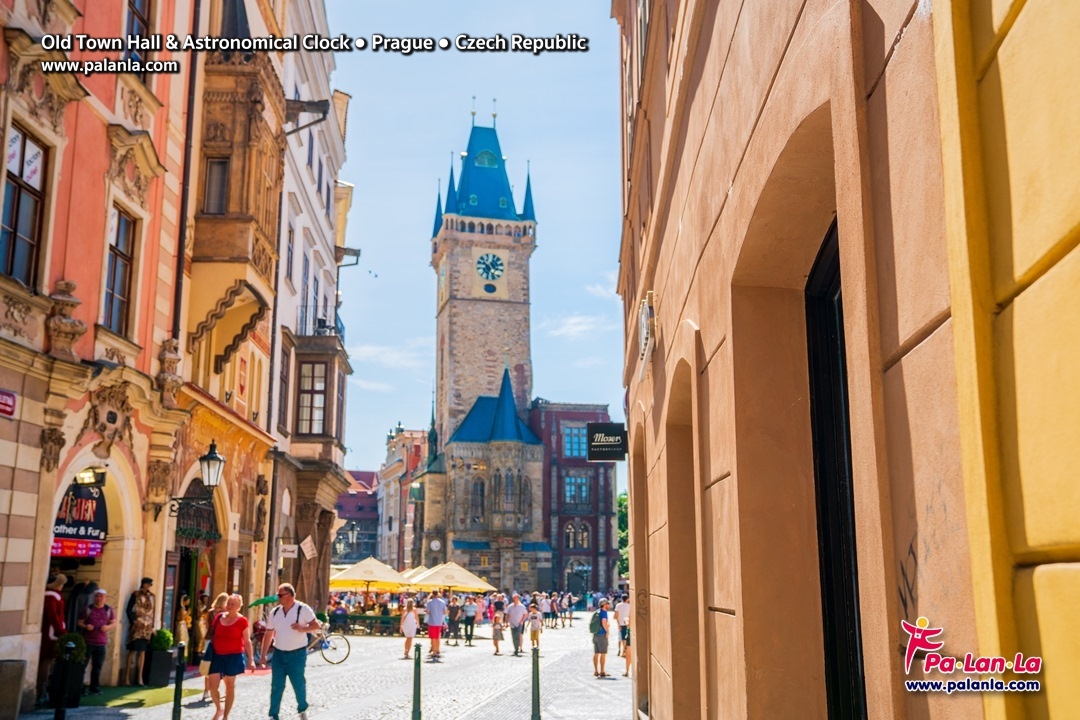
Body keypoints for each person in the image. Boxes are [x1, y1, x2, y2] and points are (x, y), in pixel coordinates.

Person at [260, 583, 319, 720]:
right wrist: (263, 655)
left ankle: (302, 708)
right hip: (279, 653)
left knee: (298, 683)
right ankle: (273, 714)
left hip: (297, 654)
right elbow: (269, 634)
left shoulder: (302, 609)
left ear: (291, 595)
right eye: (278, 595)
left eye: (281, 595)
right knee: (276, 685)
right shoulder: (275, 612)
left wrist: (302, 629)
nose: (278, 598)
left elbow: (315, 624)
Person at [207, 594, 254, 720]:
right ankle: (219, 708)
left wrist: (251, 659)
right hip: (217, 655)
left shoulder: (242, 621)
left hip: (233, 656)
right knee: (213, 687)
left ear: (239, 606)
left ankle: (225, 716)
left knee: (230, 686)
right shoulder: (218, 617)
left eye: (233, 604)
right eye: (228, 603)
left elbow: (247, 640)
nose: (229, 606)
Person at [77, 588, 117, 694]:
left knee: (97, 666)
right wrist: (86, 626)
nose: (98, 598)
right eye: (97, 596)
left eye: (101, 596)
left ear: (105, 598)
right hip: (88, 641)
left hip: (101, 642)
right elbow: (80, 622)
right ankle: (80, 687)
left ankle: (94, 687)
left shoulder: (108, 610)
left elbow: (114, 623)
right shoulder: (88, 609)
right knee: (83, 665)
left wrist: (107, 627)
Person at [37, 574, 67, 703]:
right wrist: (61, 631)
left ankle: (43, 689)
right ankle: (41, 690)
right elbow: (54, 616)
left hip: (52, 631)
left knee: (48, 660)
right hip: (51, 632)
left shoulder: (51, 595)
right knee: (47, 660)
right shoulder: (52, 596)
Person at [124, 577, 155, 686]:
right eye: (146, 584)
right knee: (132, 651)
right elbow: (128, 609)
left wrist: (153, 627)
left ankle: (139, 678)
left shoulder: (152, 597)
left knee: (142, 652)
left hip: (147, 627)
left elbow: (153, 612)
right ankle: (126, 678)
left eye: (149, 584)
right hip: (137, 626)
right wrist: (133, 621)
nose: (147, 586)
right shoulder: (136, 594)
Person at [202, 592, 228, 702]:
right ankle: (225, 691)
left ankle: (206, 691)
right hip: (220, 640)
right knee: (223, 666)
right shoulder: (225, 614)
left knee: (208, 666)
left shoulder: (210, 612)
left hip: (209, 640)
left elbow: (207, 626)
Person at [424, 590, 447, 659]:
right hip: (439, 622)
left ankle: (434, 651)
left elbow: (427, 612)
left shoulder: (429, 602)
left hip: (432, 622)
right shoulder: (442, 602)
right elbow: (445, 611)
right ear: (438, 594)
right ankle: (437, 650)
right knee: (437, 637)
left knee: (433, 638)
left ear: (432, 594)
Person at [592, 598, 611, 678]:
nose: (609, 605)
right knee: (603, 653)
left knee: (596, 653)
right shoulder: (604, 612)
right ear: (604, 605)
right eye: (607, 604)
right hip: (602, 634)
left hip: (595, 634)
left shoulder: (597, 612)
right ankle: (602, 671)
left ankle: (596, 671)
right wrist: (607, 631)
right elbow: (604, 622)